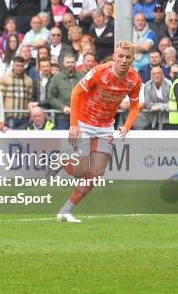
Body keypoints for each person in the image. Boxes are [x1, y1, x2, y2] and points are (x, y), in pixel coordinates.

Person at [49, 41, 142, 223]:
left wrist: (127, 126)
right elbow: (76, 92)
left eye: (128, 57)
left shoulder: (134, 80)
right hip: (84, 122)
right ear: (115, 57)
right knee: (80, 170)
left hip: (106, 127)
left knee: (97, 173)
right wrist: (74, 124)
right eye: (120, 56)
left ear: (132, 59)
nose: (123, 60)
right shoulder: (100, 71)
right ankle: (62, 158)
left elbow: (135, 106)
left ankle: (65, 210)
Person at [48, 54, 84, 130]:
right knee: (63, 140)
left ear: (75, 63)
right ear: (63, 63)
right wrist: (62, 107)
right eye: (68, 62)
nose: (70, 64)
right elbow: (51, 97)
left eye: (72, 62)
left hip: (80, 116)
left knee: (80, 139)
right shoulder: (57, 78)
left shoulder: (82, 76)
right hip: (62, 116)